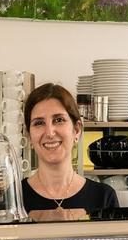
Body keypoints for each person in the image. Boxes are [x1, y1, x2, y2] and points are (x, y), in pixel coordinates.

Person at [22, 83, 118, 214]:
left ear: (77, 130)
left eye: (59, 120)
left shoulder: (103, 197)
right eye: (39, 123)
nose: (50, 133)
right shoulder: (13, 199)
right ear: (28, 135)